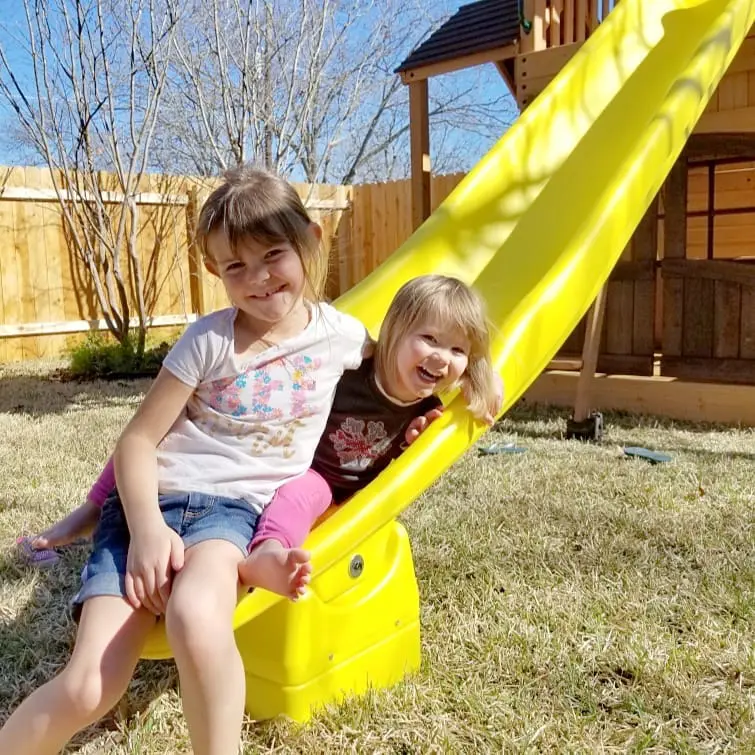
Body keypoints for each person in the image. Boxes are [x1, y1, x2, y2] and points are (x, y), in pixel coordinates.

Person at [0, 165, 369, 755]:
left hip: (231, 518)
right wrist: (146, 531)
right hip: (147, 509)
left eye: (273, 254)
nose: (258, 278)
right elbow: (137, 443)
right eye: (235, 267)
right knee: (89, 687)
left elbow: (408, 367)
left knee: (198, 616)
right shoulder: (208, 340)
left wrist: (473, 378)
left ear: (312, 240)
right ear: (214, 270)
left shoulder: (343, 337)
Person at [19, 275, 500, 602]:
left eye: (458, 350)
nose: (442, 358)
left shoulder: (432, 409)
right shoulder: (355, 363)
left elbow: (455, 408)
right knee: (154, 438)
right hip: (277, 449)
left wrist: (478, 380)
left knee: (300, 495)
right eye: (430, 340)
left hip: (323, 480)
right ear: (395, 332)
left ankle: (267, 554)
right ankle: (90, 509)